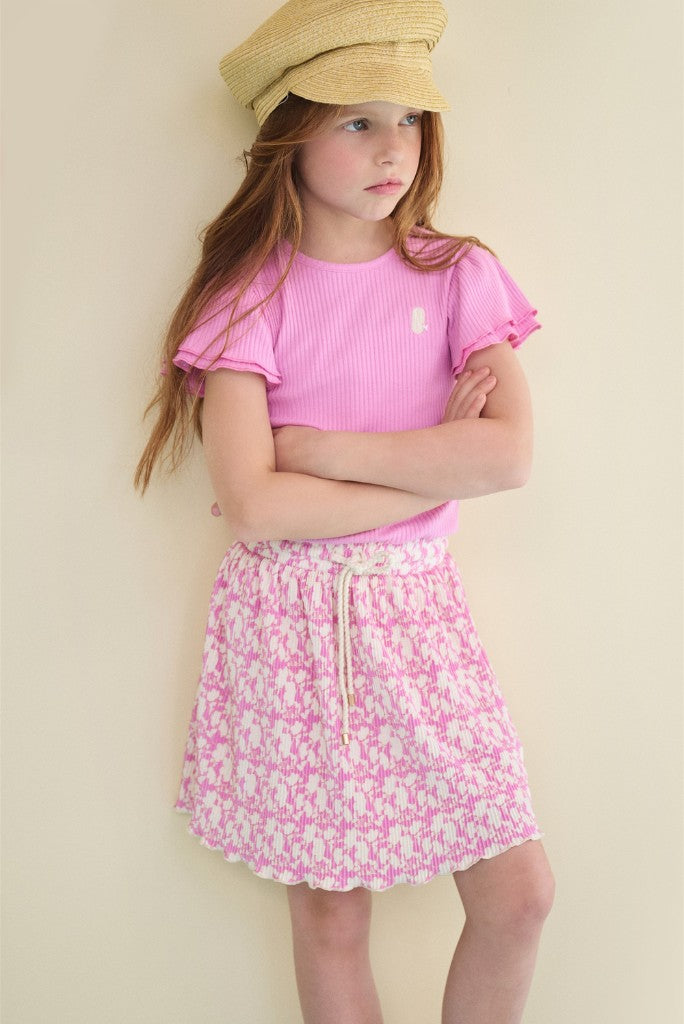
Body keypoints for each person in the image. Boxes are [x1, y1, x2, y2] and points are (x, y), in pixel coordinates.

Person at [135, 1, 555, 1021]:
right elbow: (254, 503)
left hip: (420, 616)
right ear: (289, 132)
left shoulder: (458, 275)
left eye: (406, 119)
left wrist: (322, 451)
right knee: (331, 916)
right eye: (358, 121)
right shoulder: (248, 295)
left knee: (519, 893)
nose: (392, 147)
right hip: (290, 625)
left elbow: (504, 458)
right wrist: (425, 468)